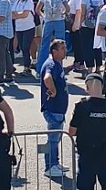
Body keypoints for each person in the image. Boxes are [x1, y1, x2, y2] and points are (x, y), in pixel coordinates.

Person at [68, 73, 106, 190]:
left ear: (87, 88)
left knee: (85, 186)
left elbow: (71, 132)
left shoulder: (81, 106)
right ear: (102, 87)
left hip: (87, 154)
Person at [40, 39, 69, 178]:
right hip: (53, 109)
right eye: (62, 48)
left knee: (55, 138)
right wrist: (53, 90)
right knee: (52, 139)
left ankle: (54, 163)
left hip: (58, 109)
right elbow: (47, 78)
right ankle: (49, 166)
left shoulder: (57, 64)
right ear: (54, 51)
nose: (65, 50)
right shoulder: (51, 64)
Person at [36, 0, 69, 75]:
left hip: (48, 21)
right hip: (59, 21)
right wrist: (62, 13)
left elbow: (38, 9)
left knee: (44, 45)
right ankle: (59, 69)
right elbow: (67, 8)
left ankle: (40, 69)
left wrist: (44, 16)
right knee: (61, 45)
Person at [12, 0, 36, 76]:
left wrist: (16, 15)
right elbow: (12, 13)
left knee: (26, 47)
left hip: (28, 28)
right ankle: (27, 66)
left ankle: (27, 67)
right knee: (22, 47)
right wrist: (18, 15)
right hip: (19, 28)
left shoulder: (29, 1)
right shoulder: (17, 2)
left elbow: (25, 14)